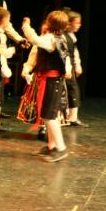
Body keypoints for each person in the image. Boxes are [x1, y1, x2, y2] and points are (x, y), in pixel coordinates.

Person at [22, 11, 71, 162]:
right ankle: (51, 146)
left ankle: (60, 148)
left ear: (49, 23)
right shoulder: (59, 37)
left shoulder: (50, 38)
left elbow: (34, 39)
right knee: (49, 115)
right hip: (53, 80)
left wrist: (26, 26)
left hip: (51, 81)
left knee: (49, 116)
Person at [63, 10, 87, 127]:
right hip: (65, 67)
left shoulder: (72, 37)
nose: (79, 25)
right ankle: (70, 117)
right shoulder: (62, 36)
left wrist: (77, 65)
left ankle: (72, 117)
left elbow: (74, 52)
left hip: (70, 66)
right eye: (77, 23)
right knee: (71, 90)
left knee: (72, 89)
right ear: (69, 23)